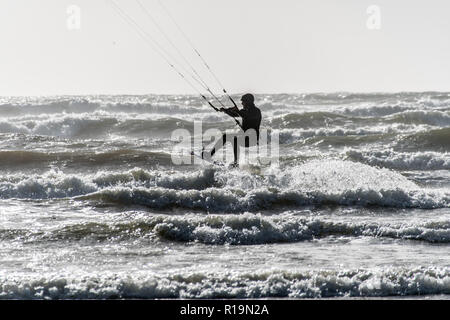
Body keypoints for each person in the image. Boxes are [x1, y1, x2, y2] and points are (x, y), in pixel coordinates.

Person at [202, 93, 262, 165]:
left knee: (235, 140)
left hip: (252, 139)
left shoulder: (256, 111)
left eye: (243, 101)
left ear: (248, 101)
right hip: (245, 137)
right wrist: (225, 110)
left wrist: (237, 111)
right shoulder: (244, 111)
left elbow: (246, 116)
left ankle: (236, 163)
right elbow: (235, 114)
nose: (242, 103)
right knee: (225, 136)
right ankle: (209, 155)